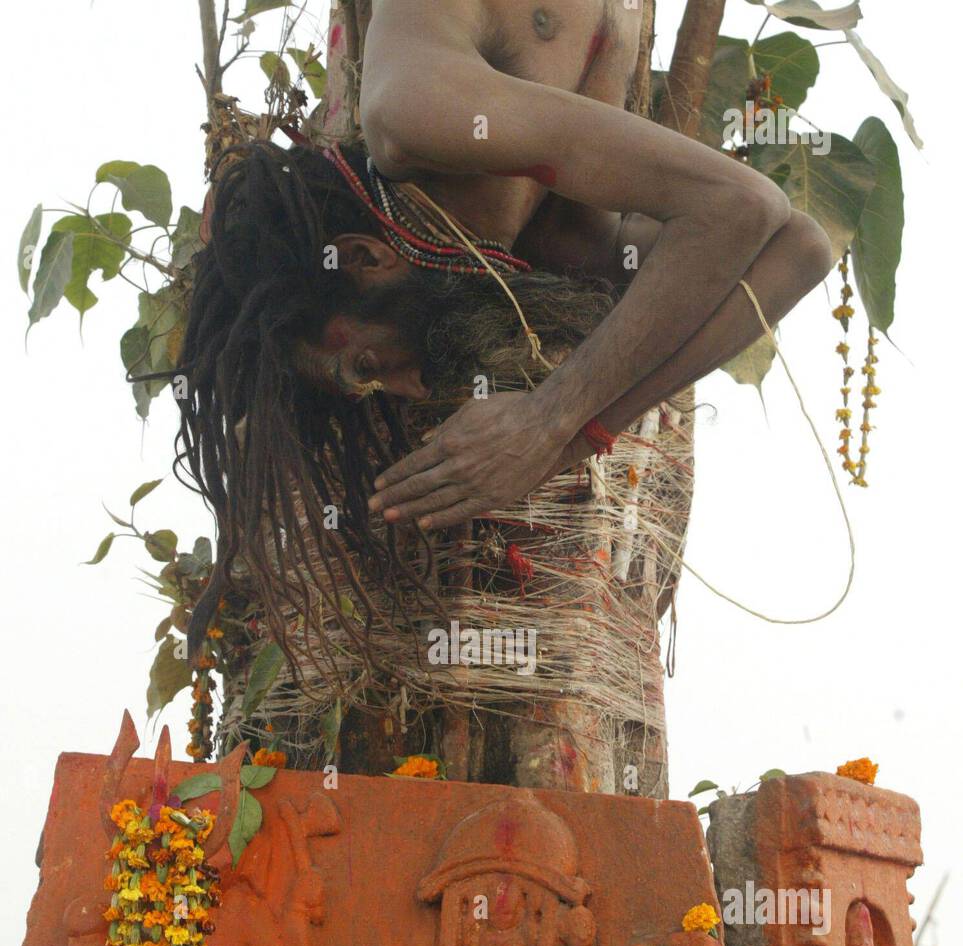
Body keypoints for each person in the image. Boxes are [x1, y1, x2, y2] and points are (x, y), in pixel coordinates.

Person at [178, 0, 832, 667]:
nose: (408, 387)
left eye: (365, 365)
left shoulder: (406, 112)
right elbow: (797, 247)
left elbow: (743, 206)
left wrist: (550, 417)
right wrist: (573, 436)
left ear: (364, 259)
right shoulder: (556, 238)